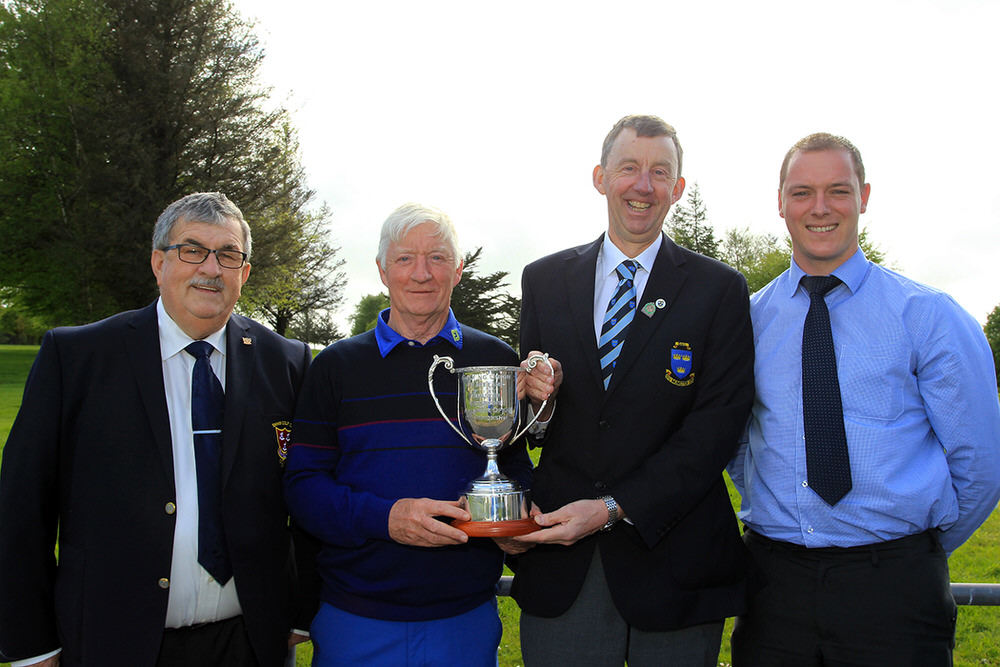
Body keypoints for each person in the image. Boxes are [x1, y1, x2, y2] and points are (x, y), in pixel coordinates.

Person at [0, 192, 316, 667]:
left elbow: (309, 491)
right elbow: (21, 509)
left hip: (251, 642)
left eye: (228, 254)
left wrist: (299, 610)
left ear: (244, 272)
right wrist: (33, 645)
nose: (210, 268)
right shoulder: (78, 358)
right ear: (158, 262)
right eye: (192, 249)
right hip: (114, 640)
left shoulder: (287, 361)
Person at [728, 133, 1000, 666]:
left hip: (895, 592)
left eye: (838, 190)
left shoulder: (930, 317)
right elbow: (741, 447)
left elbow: (981, 466)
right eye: (802, 192)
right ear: (780, 202)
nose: (820, 207)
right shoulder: (745, 321)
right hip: (773, 588)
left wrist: (906, 552)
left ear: (865, 197)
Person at [510, 114, 756, 666]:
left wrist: (613, 507)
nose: (643, 186)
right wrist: (539, 402)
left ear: (678, 188)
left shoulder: (719, 289)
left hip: (675, 562)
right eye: (628, 168)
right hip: (562, 562)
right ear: (600, 177)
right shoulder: (544, 279)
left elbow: (716, 427)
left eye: (659, 172)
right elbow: (533, 423)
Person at [283, 202, 533, 667]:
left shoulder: (495, 358)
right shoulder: (336, 366)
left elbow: (514, 465)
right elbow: (303, 487)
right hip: (354, 617)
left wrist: (516, 520)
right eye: (404, 258)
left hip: (466, 617)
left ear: (457, 269)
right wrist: (386, 518)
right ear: (382, 270)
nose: (421, 274)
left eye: (437, 258)